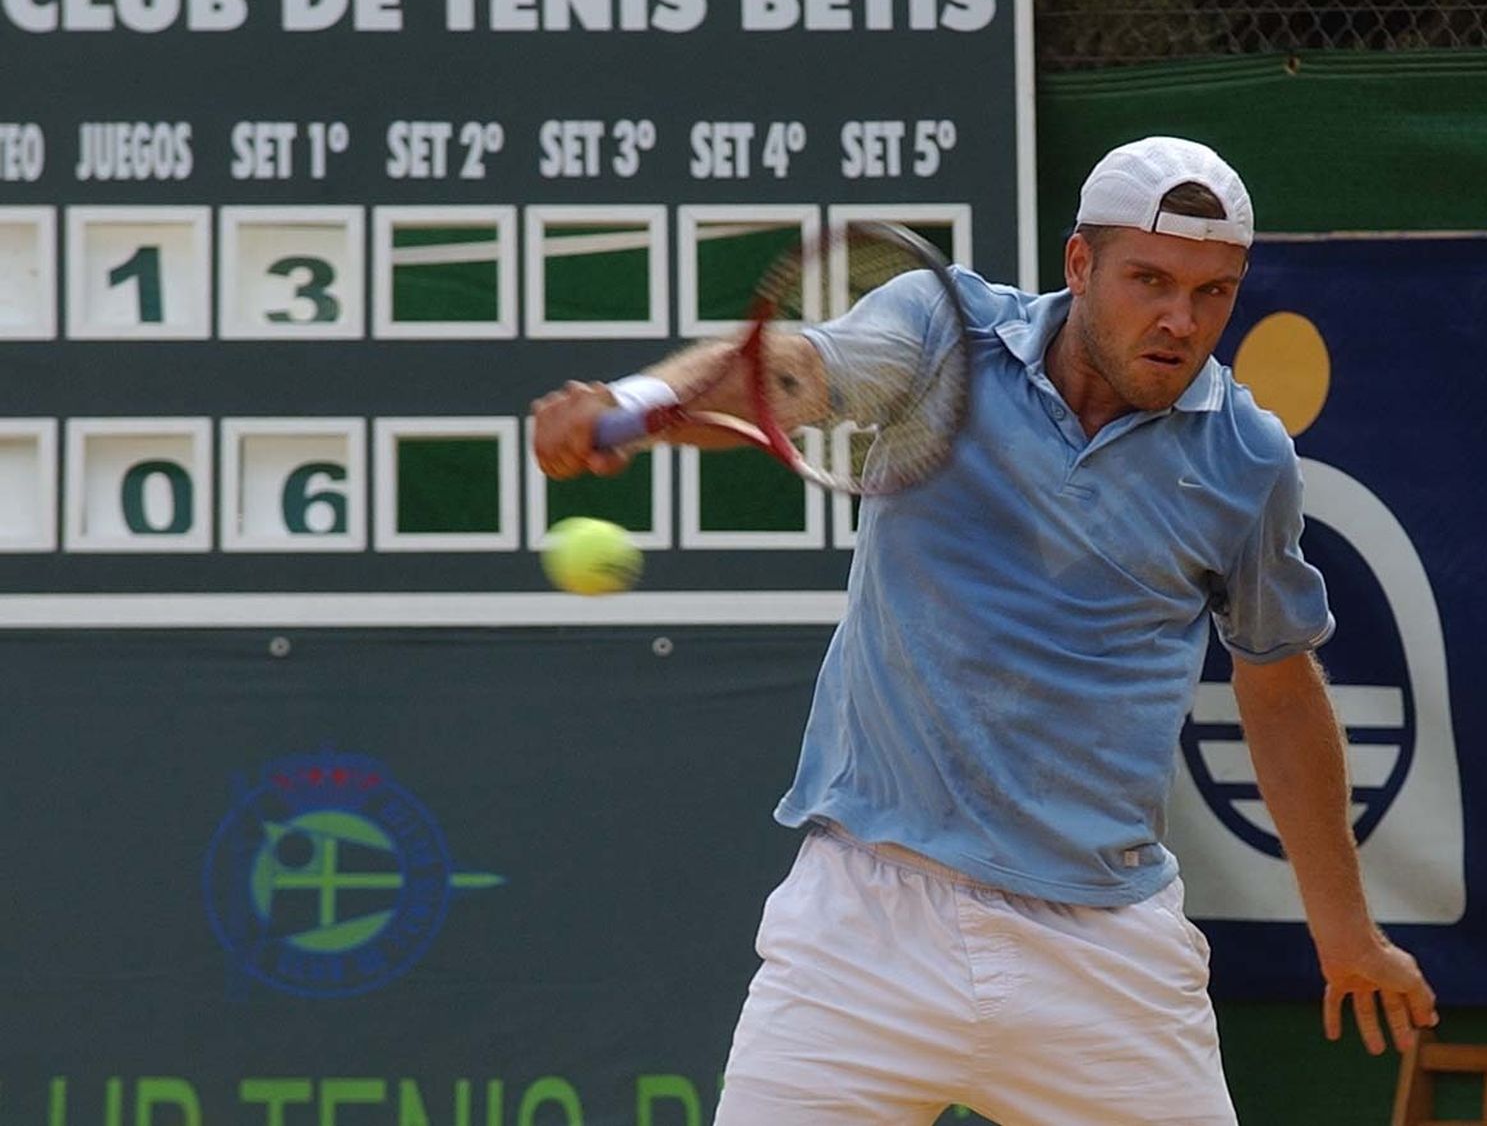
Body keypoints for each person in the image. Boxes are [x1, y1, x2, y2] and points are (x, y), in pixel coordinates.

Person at [531, 136, 1438, 1125]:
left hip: (1103, 947)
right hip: (862, 928)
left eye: (1212, 291)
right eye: (1149, 279)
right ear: (1079, 265)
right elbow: (790, 372)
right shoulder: (940, 331)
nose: (1180, 319)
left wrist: (1346, 931)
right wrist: (635, 402)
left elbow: (1276, 683)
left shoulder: (1245, 457)